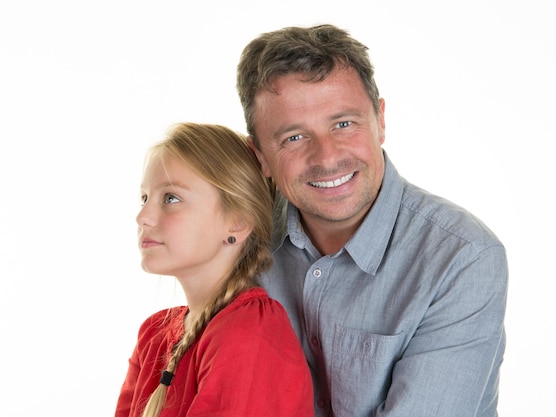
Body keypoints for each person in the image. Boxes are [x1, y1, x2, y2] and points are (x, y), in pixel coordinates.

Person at [236, 24, 508, 417]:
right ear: (259, 154)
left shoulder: (463, 257)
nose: (327, 157)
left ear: (380, 119)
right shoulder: (239, 238)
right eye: (294, 137)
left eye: (343, 124)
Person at [114, 122, 314, 417]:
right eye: (144, 198)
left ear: (237, 222)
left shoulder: (248, 333)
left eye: (171, 198)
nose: (143, 216)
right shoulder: (152, 336)